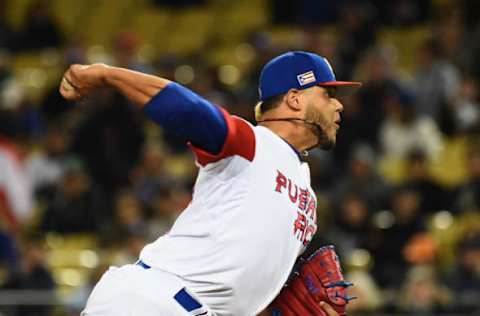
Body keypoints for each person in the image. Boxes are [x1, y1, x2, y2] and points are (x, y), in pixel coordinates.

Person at [59, 51, 361, 316]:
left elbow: (245, 291)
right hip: (154, 300)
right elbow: (190, 112)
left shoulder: (306, 192)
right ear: (294, 99)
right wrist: (108, 75)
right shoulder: (254, 144)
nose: (339, 105)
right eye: (327, 94)